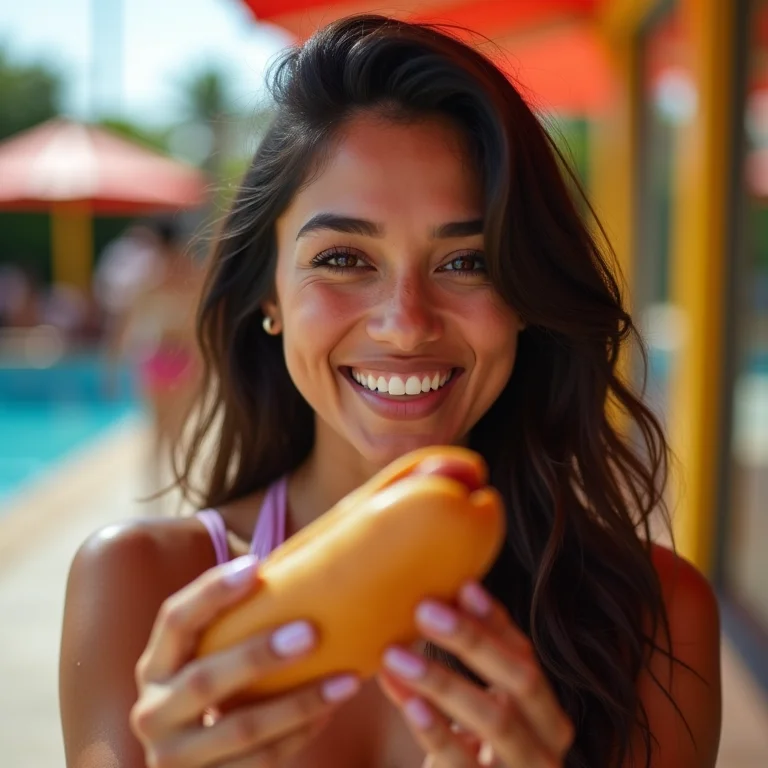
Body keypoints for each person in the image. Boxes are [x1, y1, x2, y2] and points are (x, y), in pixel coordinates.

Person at [59, 15, 722, 768]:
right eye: (343, 257)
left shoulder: (658, 617)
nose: (406, 325)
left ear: (526, 299)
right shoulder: (141, 588)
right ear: (268, 295)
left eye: (467, 263)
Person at [100, 217, 203, 511]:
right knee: (163, 435)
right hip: (166, 361)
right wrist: (111, 370)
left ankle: (167, 497)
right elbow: (124, 329)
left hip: (175, 362)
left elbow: (122, 329)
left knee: (173, 436)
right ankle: (158, 499)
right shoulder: (168, 282)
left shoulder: (182, 281)